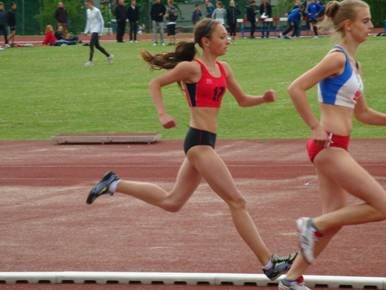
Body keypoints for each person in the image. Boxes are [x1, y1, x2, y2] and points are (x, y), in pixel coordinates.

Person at [86, 18, 296, 281]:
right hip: (197, 142)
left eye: (227, 35)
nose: (227, 40)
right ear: (205, 42)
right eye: (222, 36)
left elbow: (242, 100)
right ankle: (268, 263)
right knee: (237, 201)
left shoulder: (224, 68)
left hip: (206, 141)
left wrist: (263, 99)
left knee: (172, 202)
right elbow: (155, 84)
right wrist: (162, 114)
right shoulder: (190, 68)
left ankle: (114, 183)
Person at [279, 1, 386, 289]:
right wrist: (314, 126)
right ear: (348, 25)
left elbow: (363, 114)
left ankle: (291, 279)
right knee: (383, 205)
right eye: (365, 20)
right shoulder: (336, 58)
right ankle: (311, 225)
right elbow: (295, 88)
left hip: (337, 146)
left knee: (334, 219)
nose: (370, 24)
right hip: (328, 145)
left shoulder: (353, 63)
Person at [83, 0, 113, 66]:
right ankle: (109, 56)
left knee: (91, 44)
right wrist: (86, 31)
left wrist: (101, 32)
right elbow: (88, 21)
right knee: (97, 46)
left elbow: (101, 21)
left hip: (96, 30)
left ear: (90, 3)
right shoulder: (87, 11)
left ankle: (90, 61)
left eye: (86, 3)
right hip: (92, 30)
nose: (85, 4)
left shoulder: (97, 11)